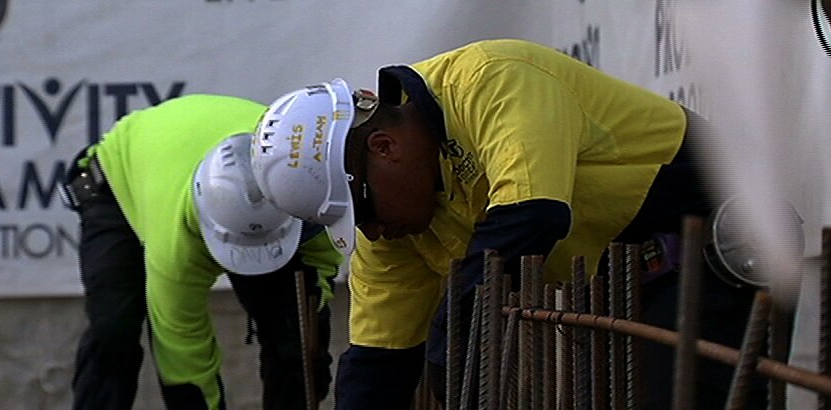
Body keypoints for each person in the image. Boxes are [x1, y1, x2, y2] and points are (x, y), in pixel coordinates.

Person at [253, 39, 799, 410]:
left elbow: (531, 215)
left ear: (384, 146)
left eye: (363, 211)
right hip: (623, 289)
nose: (371, 233)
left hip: (715, 248)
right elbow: (377, 363)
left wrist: (448, 341)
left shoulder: (491, 80)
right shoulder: (396, 227)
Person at [60, 93, 353, 410]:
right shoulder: (174, 242)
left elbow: (317, 272)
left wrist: (306, 325)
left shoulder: (304, 191)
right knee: (113, 332)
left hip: (252, 190)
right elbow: (182, 352)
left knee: (295, 335)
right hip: (118, 182)